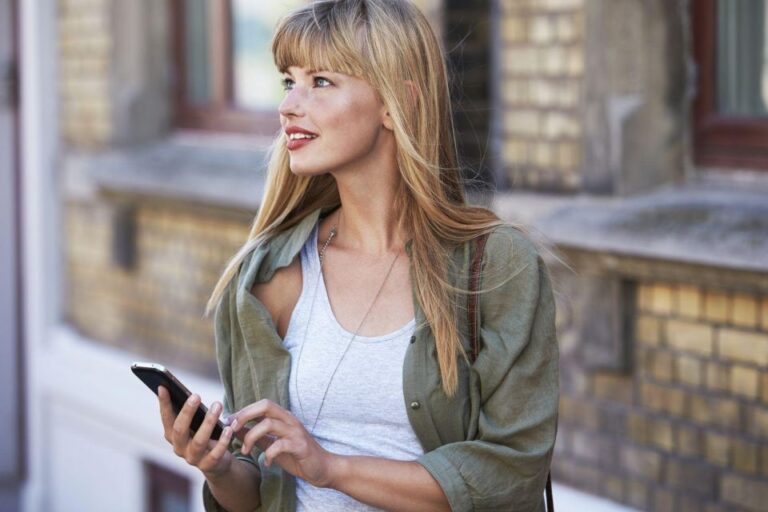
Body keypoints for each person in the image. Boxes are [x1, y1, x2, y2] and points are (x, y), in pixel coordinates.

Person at [156, 0, 559, 510]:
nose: (288, 106)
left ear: (398, 104)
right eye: (288, 82)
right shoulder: (266, 275)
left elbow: (512, 472)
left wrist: (330, 467)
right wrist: (219, 469)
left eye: (321, 81)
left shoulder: (496, 266)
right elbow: (263, 490)